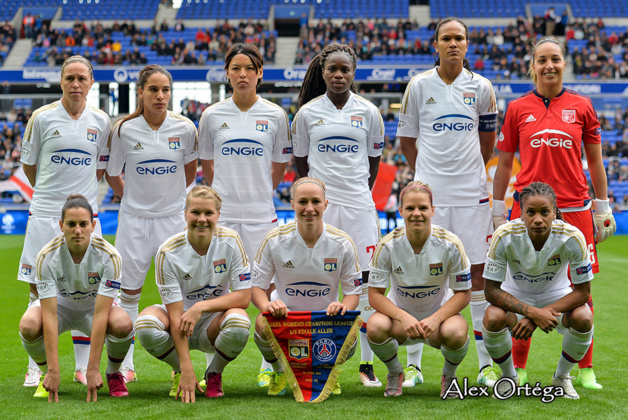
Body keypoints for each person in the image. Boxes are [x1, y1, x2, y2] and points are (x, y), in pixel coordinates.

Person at [492, 37, 615, 389]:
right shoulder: (517, 108)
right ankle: (521, 368)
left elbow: (594, 161)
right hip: (527, 208)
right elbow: (503, 165)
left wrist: (602, 207)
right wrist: (500, 208)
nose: (549, 65)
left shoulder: (583, 106)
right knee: (520, 280)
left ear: (564, 64)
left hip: (575, 207)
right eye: (542, 60)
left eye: (556, 59)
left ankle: (584, 369)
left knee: (582, 289)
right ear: (532, 66)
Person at [397, 17, 499, 387]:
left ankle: (486, 364)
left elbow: (487, 142)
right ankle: (414, 365)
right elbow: (407, 142)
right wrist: (426, 177)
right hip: (431, 196)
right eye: (446, 38)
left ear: (467, 45)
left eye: (459, 38)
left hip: (472, 194)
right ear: (435, 45)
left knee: (475, 275)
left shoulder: (482, 87)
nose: (453, 44)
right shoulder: (418, 85)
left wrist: (469, 172)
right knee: (420, 272)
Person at [292, 43, 385, 388]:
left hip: (359, 207)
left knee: (363, 284)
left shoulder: (369, 112)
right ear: (323, 72)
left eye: (345, 69)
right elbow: (302, 165)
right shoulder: (306, 114)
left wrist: (356, 190)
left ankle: (366, 363)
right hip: (322, 210)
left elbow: (373, 162)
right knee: (320, 281)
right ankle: (318, 359)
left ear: (353, 73)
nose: (339, 74)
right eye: (333, 69)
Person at [198, 42, 291, 386]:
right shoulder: (211, 115)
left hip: (261, 217)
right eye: (235, 68)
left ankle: (274, 366)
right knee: (215, 293)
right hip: (222, 220)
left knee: (268, 294)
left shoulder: (276, 115)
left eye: (249, 68)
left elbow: (279, 166)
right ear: (227, 73)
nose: (242, 74)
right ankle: (213, 371)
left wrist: (256, 192)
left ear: (260, 73)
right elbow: (208, 166)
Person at [18, 55, 111, 388]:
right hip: (45, 215)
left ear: (91, 82)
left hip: (86, 220)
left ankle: (83, 367)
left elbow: (99, 168)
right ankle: (36, 367)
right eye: (69, 78)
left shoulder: (101, 121)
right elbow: (30, 166)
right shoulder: (40, 118)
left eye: (81, 78)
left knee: (86, 289)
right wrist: (50, 193)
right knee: (37, 291)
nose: (75, 84)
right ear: (61, 81)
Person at [106, 64, 198, 382]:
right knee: (127, 294)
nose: (160, 96)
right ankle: (125, 366)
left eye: (166, 90)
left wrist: (170, 201)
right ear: (140, 92)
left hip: (172, 221)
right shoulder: (123, 129)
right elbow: (111, 172)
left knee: (179, 294)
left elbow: (189, 173)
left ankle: (179, 365)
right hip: (133, 221)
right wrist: (129, 199)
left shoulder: (185, 128)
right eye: (154, 90)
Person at [135, 186, 251, 402]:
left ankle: (214, 373)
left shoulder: (231, 240)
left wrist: (200, 307)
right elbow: (176, 314)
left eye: (209, 213)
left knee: (239, 322)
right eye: (195, 212)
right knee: (145, 324)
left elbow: (244, 297)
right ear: (185, 213)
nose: (202, 219)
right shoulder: (167, 251)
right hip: (178, 321)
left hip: (213, 323)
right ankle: (180, 372)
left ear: (218, 214)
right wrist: (186, 367)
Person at [482, 182, 594, 400]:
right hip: (515, 296)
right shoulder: (504, 235)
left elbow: (583, 293)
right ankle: (509, 377)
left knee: (584, 316)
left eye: (545, 212)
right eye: (530, 212)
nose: (538, 219)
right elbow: (490, 291)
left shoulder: (573, 236)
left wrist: (538, 315)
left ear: (555, 212)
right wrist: (532, 312)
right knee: (492, 316)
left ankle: (562, 377)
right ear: (521, 214)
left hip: (557, 296)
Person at [251, 177, 362, 396]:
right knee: (262, 322)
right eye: (302, 202)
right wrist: (268, 305)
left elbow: (352, 294)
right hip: (287, 321)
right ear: (292, 204)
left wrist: (341, 307)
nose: (309, 208)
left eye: (315, 202)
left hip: (325, 321)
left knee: (351, 328)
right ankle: (280, 371)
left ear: (325, 204)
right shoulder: (274, 239)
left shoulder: (342, 242)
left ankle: (327, 372)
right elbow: (256, 288)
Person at [19, 195, 133, 402]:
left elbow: (101, 314)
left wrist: (92, 369)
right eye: (71, 224)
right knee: (28, 324)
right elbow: (50, 315)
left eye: (83, 224)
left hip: (93, 309)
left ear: (93, 225)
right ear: (62, 225)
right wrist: (54, 369)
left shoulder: (110, 256)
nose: (78, 230)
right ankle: (47, 375)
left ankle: (113, 373)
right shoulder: (46, 256)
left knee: (123, 323)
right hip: (60, 308)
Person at [367, 181, 471, 398]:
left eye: (423, 208)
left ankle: (449, 376)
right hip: (400, 322)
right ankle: (395, 373)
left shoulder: (451, 244)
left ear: (433, 210)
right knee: (374, 326)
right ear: (401, 211)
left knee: (458, 331)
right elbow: (374, 296)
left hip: (439, 323)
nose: (417, 214)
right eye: (411, 208)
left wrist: (436, 318)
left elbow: (463, 293)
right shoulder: (387, 246)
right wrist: (402, 317)